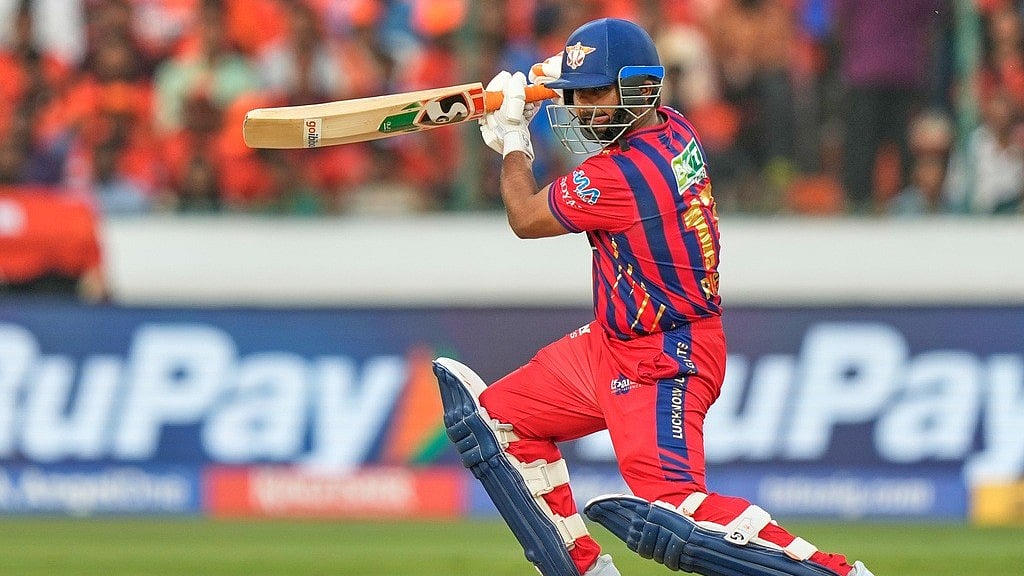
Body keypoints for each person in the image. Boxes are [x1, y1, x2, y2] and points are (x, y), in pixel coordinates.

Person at [432, 18, 877, 576]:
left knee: (674, 513)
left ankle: (837, 574)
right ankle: (582, 568)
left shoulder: (621, 174)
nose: (583, 110)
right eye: (577, 96)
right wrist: (553, 77)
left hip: (665, 357)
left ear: (638, 88)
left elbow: (525, 217)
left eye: (595, 94)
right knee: (495, 423)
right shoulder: (674, 127)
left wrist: (514, 140)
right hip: (610, 344)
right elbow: (599, 94)